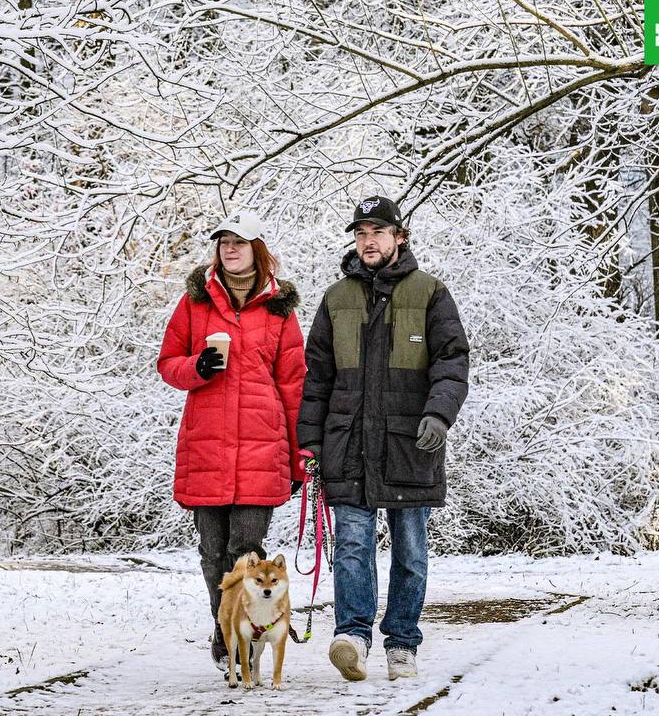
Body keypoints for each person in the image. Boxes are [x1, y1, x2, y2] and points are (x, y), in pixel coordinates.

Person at [297, 195, 469, 681]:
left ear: (399, 237)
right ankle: (351, 636)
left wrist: (439, 415)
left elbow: (452, 363)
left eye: (378, 232)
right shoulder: (336, 298)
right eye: (360, 233)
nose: (368, 241)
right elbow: (317, 379)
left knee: (410, 549)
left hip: (410, 444)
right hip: (347, 443)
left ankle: (402, 643)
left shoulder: (430, 293)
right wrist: (309, 442)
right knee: (352, 544)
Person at [157, 211, 307, 671]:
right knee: (211, 554)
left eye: (239, 242)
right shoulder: (194, 304)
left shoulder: (280, 310)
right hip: (207, 448)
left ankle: (245, 640)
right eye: (223, 242)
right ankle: (225, 635)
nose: (230, 249)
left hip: (262, 451)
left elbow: (294, 386)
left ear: (257, 250)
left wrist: (300, 458)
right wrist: (196, 368)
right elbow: (168, 363)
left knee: (245, 551)